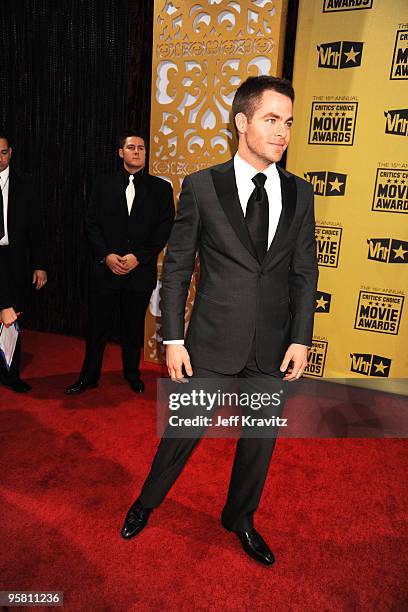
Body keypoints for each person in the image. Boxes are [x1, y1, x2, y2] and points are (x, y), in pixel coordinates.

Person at [121, 77, 318, 565]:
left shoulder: (300, 193)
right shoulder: (202, 187)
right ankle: (146, 502)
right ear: (241, 122)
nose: (282, 132)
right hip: (209, 341)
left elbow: (304, 273)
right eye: (271, 120)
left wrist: (301, 338)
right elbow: (178, 267)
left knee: (259, 445)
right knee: (181, 436)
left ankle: (241, 518)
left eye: (288, 122)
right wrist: (172, 337)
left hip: (271, 347)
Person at [65, 131, 174, 395]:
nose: (137, 151)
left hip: (139, 272)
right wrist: (106, 255)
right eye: (131, 147)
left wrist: (139, 256)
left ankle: (132, 374)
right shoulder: (102, 184)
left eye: (141, 148)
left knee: (133, 327)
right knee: (98, 327)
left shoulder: (161, 189)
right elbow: (91, 223)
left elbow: (163, 229)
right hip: (106, 270)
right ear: (120, 152)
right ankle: (88, 377)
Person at [0, 134, 47, 393]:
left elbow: (36, 229)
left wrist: (40, 264)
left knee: (13, 317)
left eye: (4, 152)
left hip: (15, 257)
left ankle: (11, 374)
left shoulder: (26, 184)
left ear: (11, 153)